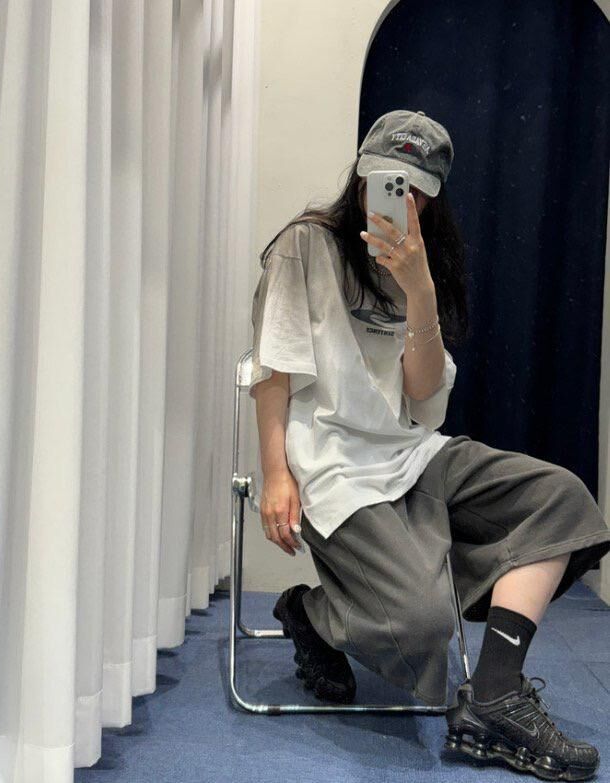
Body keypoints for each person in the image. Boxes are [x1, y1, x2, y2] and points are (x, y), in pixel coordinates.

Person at [249, 109, 610, 781]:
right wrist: (275, 472)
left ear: (433, 196)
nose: (400, 199)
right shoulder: (307, 244)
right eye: (388, 181)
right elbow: (274, 367)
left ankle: (495, 694)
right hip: (335, 464)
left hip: (414, 454)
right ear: (361, 175)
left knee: (561, 498)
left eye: (415, 188)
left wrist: (419, 291)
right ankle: (313, 614)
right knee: (419, 629)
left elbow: (421, 396)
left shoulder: (425, 264)